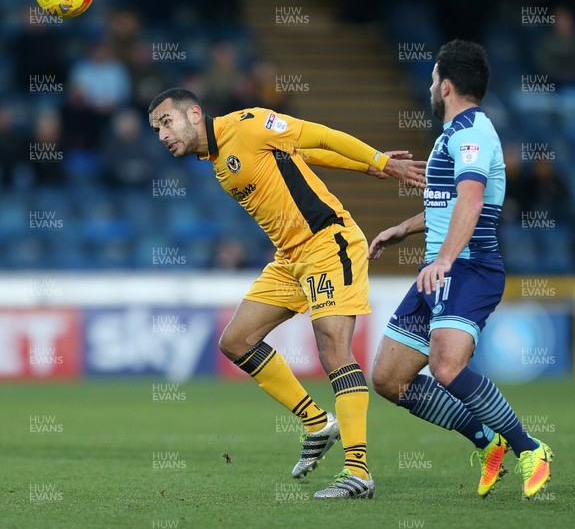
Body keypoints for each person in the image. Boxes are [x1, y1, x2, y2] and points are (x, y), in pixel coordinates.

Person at [148, 88, 426, 499]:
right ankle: (317, 423)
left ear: (193, 113)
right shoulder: (217, 160)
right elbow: (302, 156)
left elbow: (321, 136)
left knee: (333, 351)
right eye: (155, 129)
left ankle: (359, 473)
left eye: (166, 123)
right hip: (290, 259)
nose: (162, 135)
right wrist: (370, 170)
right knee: (236, 341)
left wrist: (381, 162)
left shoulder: (250, 124)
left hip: (328, 242)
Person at [369, 39, 554, 500]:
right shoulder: (452, 136)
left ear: (446, 85)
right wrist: (403, 228)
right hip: (440, 269)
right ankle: (484, 439)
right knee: (389, 380)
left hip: (468, 267)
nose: (430, 86)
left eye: (433, 79)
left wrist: (445, 259)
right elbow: (448, 205)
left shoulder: (472, 132)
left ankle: (530, 448)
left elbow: (471, 201)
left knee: (446, 367)